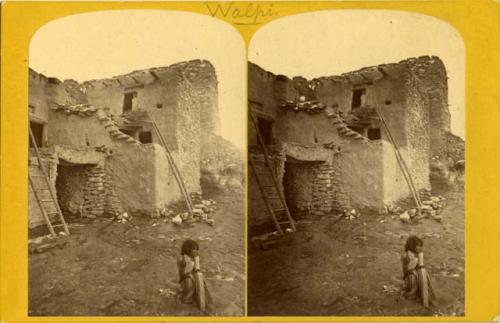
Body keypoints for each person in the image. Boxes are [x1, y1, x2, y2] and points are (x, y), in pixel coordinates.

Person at [177, 239, 213, 313]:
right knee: (189, 282)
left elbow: (197, 268)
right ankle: (187, 298)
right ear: (188, 251)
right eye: (195, 250)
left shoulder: (196, 257)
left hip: (193, 275)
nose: (197, 252)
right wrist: (190, 275)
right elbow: (182, 275)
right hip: (185, 279)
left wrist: (198, 273)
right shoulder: (182, 259)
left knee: (200, 278)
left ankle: (202, 301)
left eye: (197, 250)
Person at [400, 235, 436, 308]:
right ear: (412, 246)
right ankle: (421, 297)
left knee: (424, 273)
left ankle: (426, 296)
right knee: (417, 275)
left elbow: (420, 268)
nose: (420, 248)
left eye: (420, 246)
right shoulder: (407, 255)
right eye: (418, 246)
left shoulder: (416, 254)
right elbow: (408, 270)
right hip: (409, 278)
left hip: (416, 275)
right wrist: (420, 260)